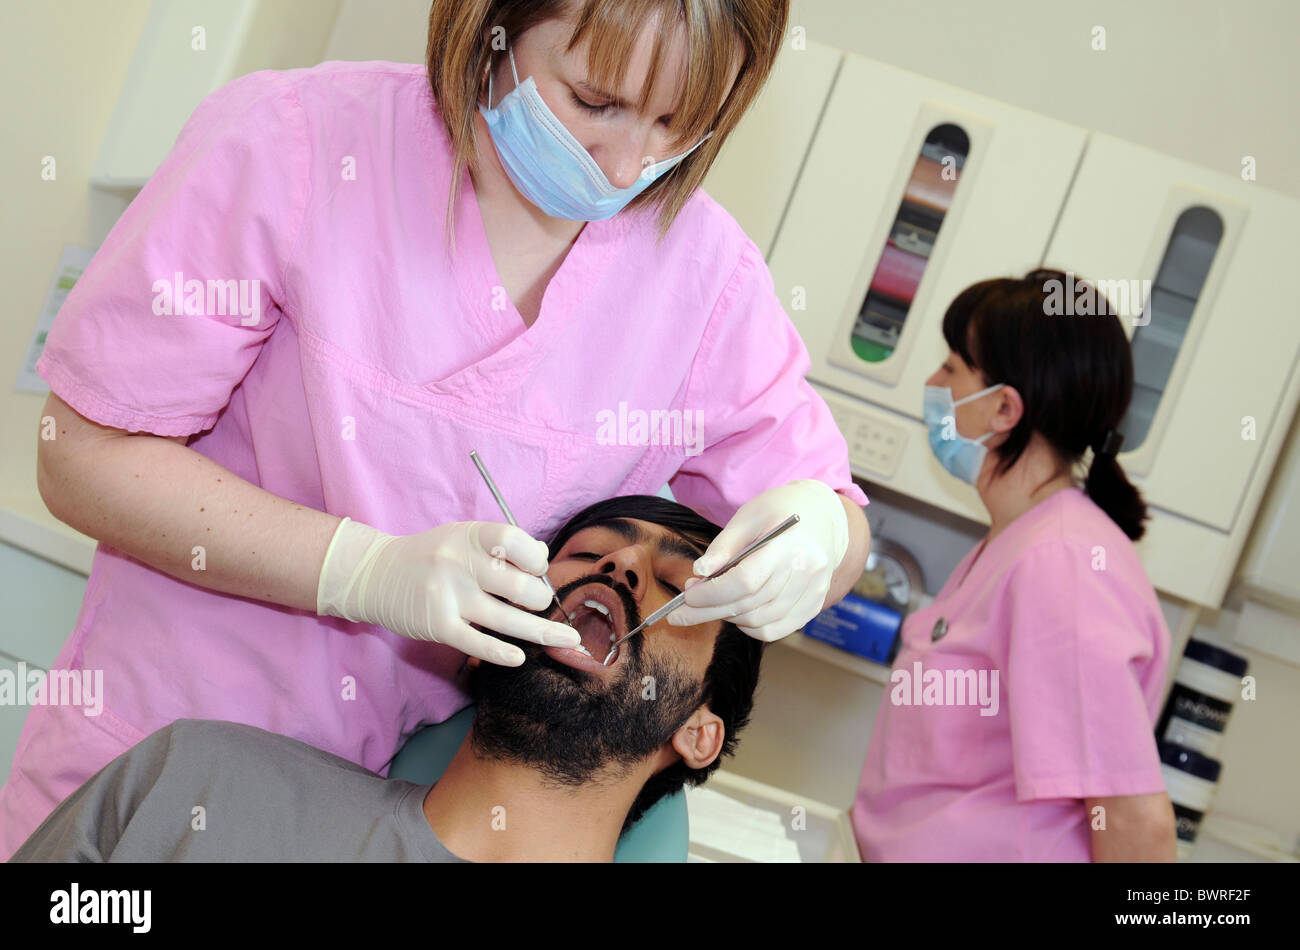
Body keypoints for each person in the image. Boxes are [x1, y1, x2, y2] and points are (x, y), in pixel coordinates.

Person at [1, 0, 871, 859]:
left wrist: (822, 535)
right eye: (593, 102)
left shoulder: (704, 283)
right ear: (488, 22)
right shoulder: (297, 145)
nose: (625, 163)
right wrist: (360, 569)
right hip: (149, 773)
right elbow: (80, 456)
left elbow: (835, 524)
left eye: (678, 123)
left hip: (400, 815)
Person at [11, 495, 763, 863]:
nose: (621, 567)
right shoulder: (193, 780)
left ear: (697, 733)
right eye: (589, 551)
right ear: (476, 641)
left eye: (677, 584)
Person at [853, 269, 1176, 862]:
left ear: (1004, 408)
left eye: (951, 367)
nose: (932, 383)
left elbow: (1136, 825)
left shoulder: (1063, 565)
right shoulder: (1017, 545)